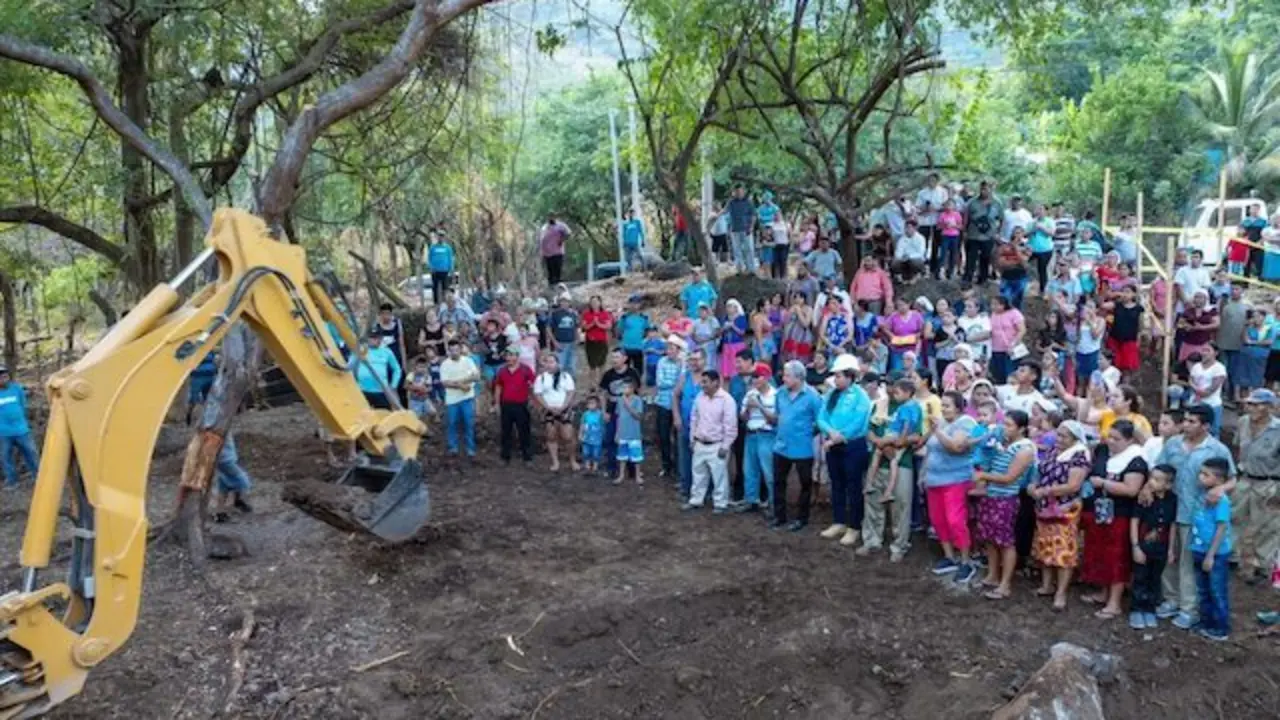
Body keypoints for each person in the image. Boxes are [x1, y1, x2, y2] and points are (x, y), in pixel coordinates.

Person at [1154, 404, 1235, 630]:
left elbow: (1232, 478)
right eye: (1186, 420)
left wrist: (1220, 490)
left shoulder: (1217, 449)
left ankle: (1188, 608)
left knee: (1187, 563)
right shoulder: (1172, 444)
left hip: (1197, 514)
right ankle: (1171, 599)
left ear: (1206, 426)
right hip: (1170, 509)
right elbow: (1160, 468)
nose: (1186, 425)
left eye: (1192, 422)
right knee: (1169, 557)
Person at [1081, 420, 1148, 620]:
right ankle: (1103, 592)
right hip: (1099, 511)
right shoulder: (1102, 451)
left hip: (1120, 514)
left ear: (1129, 440)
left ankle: (1115, 602)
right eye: (1109, 436)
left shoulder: (1136, 460)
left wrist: (1103, 483)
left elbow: (1131, 489)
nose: (1111, 441)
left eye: (1116, 439)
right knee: (1100, 552)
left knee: (1116, 557)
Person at [972, 410, 1037, 600]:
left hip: (1006, 499)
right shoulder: (1002, 444)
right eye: (1004, 423)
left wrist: (984, 476)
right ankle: (993, 575)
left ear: (1022, 428)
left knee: (1006, 542)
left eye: (1009, 425)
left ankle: (1005, 584)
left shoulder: (1025, 449)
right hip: (992, 496)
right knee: (990, 539)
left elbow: (1010, 478)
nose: (1004, 428)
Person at [1030, 420, 1090, 610]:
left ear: (1074, 438)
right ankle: (1047, 584)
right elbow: (1039, 472)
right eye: (1059, 434)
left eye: (1064, 436)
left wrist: (1046, 491)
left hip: (1065, 508)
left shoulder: (1079, 455)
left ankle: (1061, 592)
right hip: (1044, 505)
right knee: (1045, 545)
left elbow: (1073, 485)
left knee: (1064, 549)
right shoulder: (1052, 451)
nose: (1059, 438)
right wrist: (1034, 487)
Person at [817, 354, 873, 547]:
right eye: (835, 376)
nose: (836, 379)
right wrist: (831, 432)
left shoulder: (861, 397)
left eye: (840, 375)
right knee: (837, 483)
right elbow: (821, 416)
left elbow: (858, 423)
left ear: (851, 376)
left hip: (853, 447)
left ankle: (854, 526)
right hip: (834, 444)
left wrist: (837, 437)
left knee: (853, 486)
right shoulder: (831, 395)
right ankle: (839, 521)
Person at [862, 378, 920, 561]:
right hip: (878, 457)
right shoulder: (879, 405)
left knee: (900, 506)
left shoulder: (912, 407)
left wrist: (895, 443)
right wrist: (878, 442)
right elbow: (869, 430)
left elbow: (916, 436)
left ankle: (899, 545)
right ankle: (871, 540)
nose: (890, 388)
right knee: (872, 501)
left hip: (901, 461)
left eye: (894, 385)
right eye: (887, 384)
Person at [1232, 388, 1280, 585]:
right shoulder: (1243, 423)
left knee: (1267, 526)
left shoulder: (1278, 429)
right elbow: (1237, 447)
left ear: (1269, 407)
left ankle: (1263, 566)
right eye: (1250, 403)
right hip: (1245, 478)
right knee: (1235, 518)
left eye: (1256, 404)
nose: (1251, 407)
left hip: (1269, 481)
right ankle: (1231, 558)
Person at [772, 361, 822, 531]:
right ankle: (779, 516)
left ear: (798, 377)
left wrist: (807, 434)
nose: (783, 378)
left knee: (805, 484)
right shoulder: (780, 393)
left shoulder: (813, 396)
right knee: (778, 481)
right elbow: (778, 414)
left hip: (803, 447)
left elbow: (820, 420)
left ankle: (802, 518)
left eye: (787, 375)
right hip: (781, 445)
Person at [1190, 457, 1234, 641]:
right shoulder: (1202, 494)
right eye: (1201, 473)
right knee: (1203, 589)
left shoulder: (1221, 500)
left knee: (1217, 590)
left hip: (1215, 553)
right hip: (1198, 549)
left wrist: (1211, 555)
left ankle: (1221, 627)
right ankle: (1206, 621)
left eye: (1206, 475)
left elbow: (1221, 528)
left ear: (1220, 480)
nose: (1201, 477)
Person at [1130, 463, 1179, 629]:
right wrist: (1135, 546)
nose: (1152, 482)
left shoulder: (1172, 500)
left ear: (1168, 484)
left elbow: (1172, 525)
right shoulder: (1143, 498)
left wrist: (1171, 549)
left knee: (1154, 579)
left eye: (1157, 480)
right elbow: (1135, 521)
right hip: (1143, 546)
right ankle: (1136, 610)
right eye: (1151, 477)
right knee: (1140, 578)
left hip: (1161, 548)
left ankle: (1149, 609)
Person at [684, 369, 739, 513]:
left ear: (715, 382)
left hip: (717, 444)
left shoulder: (727, 400)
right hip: (700, 442)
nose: (702, 385)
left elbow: (731, 425)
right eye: (702, 382)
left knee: (719, 476)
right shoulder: (699, 397)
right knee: (698, 474)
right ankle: (696, 500)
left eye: (705, 382)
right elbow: (694, 419)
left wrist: (726, 445)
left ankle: (721, 503)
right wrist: (692, 439)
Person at [740, 363, 778, 512]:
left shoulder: (775, 395)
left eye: (757, 376)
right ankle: (751, 500)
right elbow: (742, 417)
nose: (754, 380)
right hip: (751, 434)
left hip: (767, 435)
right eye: (753, 377)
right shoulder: (750, 394)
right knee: (749, 470)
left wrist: (759, 406)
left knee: (769, 472)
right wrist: (749, 408)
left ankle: (773, 504)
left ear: (766, 377)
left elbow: (775, 420)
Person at [533, 352, 579, 473]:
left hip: (564, 409)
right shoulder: (541, 378)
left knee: (568, 435)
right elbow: (538, 394)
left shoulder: (565, 376)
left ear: (557, 363)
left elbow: (571, 392)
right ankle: (555, 461)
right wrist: (547, 407)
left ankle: (573, 460)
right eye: (547, 362)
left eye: (552, 362)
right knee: (551, 435)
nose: (549, 364)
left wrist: (564, 406)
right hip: (548, 410)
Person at [600, 350, 642, 478]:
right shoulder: (608, 375)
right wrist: (604, 411)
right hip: (613, 411)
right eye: (612, 357)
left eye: (617, 357)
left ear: (625, 358)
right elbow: (603, 394)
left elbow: (639, 390)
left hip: (630, 413)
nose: (614, 360)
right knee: (611, 439)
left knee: (631, 440)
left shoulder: (632, 373)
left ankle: (632, 469)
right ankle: (612, 468)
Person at [0, 366, 39, 487]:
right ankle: (12, 481)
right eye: (0, 377)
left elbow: (23, 405)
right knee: (6, 458)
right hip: (4, 433)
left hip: (22, 430)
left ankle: (38, 478)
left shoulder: (16, 389)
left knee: (31, 454)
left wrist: (20, 420)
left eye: (5, 376)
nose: (3, 379)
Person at [439, 339, 479, 458]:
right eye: (452, 350)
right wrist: (461, 385)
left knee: (468, 423)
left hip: (467, 398)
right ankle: (453, 447)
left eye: (456, 350)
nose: (454, 352)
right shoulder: (445, 364)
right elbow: (445, 383)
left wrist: (459, 382)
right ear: (448, 351)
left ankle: (470, 448)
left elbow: (476, 376)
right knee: (452, 423)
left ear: (460, 349)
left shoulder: (468, 361)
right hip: (452, 400)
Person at [653, 336, 686, 478]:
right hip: (663, 403)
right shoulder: (661, 362)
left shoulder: (683, 364)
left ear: (678, 350)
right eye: (668, 348)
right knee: (663, 436)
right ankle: (666, 466)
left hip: (678, 405)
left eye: (672, 348)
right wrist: (676, 384)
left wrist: (675, 384)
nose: (669, 351)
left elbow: (683, 383)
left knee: (678, 436)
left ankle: (679, 467)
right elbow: (660, 382)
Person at [963, 180, 1002, 285]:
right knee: (971, 258)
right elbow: (966, 217)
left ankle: (983, 278)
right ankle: (968, 277)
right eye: (982, 188)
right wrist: (965, 231)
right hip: (973, 234)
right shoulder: (972, 202)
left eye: (986, 188)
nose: (984, 191)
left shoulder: (997, 203)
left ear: (990, 189)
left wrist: (998, 232)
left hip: (989, 235)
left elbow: (1002, 219)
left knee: (985, 258)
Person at [211, 433, 254, 523]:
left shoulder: (222, 420)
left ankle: (220, 512)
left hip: (224, 457)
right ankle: (237, 501)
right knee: (243, 481)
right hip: (224, 459)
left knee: (223, 483)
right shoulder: (218, 420)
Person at [355, 333, 402, 410]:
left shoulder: (387, 351)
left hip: (381, 391)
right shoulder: (361, 349)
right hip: (362, 390)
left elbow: (397, 369)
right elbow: (351, 366)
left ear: (381, 339)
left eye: (377, 338)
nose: (374, 340)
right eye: (372, 337)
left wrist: (393, 385)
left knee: (384, 415)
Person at [1187, 347, 1227, 435]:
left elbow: (1212, 389)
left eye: (1208, 350)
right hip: (1195, 403)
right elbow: (1190, 380)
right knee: (1193, 431)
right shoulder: (1196, 366)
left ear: (1215, 353)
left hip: (1212, 404)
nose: (1204, 353)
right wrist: (1197, 390)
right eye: (1203, 350)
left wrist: (1200, 391)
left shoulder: (1219, 368)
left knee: (1213, 431)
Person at [613, 378, 646, 485]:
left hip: (634, 433)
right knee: (622, 456)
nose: (624, 390)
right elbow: (618, 417)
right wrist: (617, 432)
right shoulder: (619, 400)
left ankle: (637, 475)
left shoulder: (637, 400)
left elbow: (638, 416)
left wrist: (628, 405)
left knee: (636, 456)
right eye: (623, 387)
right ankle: (621, 475)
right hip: (623, 432)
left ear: (632, 389)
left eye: (626, 387)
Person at [373, 302, 408, 403]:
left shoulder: (397, 323)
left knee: (401, 386)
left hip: (397, 358)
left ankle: (404, 409)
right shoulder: (376, 326)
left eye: (388, 313)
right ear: (380, 314)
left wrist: (404, 364)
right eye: (383, 314)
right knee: (387, 386)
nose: (386, 316)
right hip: (384, 361)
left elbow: (402, 344)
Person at [988, 295, 1025, 386]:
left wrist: (1013, 344)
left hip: (1012, 349)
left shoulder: (1014, 313)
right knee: (999, 374)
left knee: (1011, 373)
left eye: (996, 304)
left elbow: (1022, 330)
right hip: (997, 348)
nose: (993, 307)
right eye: (992, 304)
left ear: (1003, 305)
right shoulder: (993, 315)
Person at [915, 173, 948, 275]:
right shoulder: (922, 193)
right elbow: (917, 207)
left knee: (936, 245)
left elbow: (947, 207)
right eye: (929, 180)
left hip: (938, 222)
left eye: (934, 180)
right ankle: (922, 266)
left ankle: (935, 267)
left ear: (937, 181)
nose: (931, 182)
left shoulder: (943, 192)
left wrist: (936, 208)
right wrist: (925, 208)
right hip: (924, 221)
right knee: (922, 244)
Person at [1237, 309, 1273, 397]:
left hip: (1259, 358)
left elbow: (1268, 341)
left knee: (1256, 382)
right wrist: (1245, 327)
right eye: (1254, 316)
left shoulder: (1268, 328)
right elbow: (1245, 340)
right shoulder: (1248, 327)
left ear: (1263, 317)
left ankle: (1255, 404)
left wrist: (1253, 342)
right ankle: (1243, 405)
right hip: (1246, 356)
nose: (1255, 319)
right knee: (1244, 381)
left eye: (1258, 316)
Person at [884, 297, 924, 373]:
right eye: (898, 305)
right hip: (898, 349)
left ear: (908, 304)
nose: (900, 307)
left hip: (913, 348)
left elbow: (922, 329)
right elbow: (885, 328)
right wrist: (892, 336)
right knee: (897, 371)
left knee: (916, 372)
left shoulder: (916, 315)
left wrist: (917, 335)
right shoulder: (893, 316)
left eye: (902, 305)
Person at [581, 295, 614, 386]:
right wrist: (592, 323)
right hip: (590, 342)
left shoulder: (605, 314)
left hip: (602, 342)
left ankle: (601, 383)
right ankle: (592, 384)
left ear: (600, 303)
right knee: (592, 365)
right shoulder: (586, 314)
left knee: (602, 364)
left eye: (596, 302)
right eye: (592, 302)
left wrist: (598, 323)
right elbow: (584, 327)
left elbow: (608, 326)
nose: (594, 304)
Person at [995, 229, 1031, 309]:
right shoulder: (1004, 247)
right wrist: (1016, 263)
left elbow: (1024, 263)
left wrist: (1016, 248)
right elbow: (1001, 263)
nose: (1018, 235)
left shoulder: (1027, 247)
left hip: (1020, 278)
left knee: (1018, 302)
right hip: (1006, 278)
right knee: (1004, 300)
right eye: (1016, 233)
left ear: (1023, 235)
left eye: (1020, 233)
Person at [726, 185, 758, 273]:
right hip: (735, 229)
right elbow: (725, 211)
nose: (738, 193)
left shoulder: (748, 202)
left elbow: (754, 215)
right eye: (736, 192)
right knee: (737, 250)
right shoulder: (731, 202)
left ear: (743, 192)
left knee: (749, 249)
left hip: (746, 229)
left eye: (740, 192)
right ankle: (739, 269)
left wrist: (751, 227)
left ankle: (751, 269)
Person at [547, 293, 580, 376]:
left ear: (569, 302)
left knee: (572, 367)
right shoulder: (555, 314)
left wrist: (577, 339)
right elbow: (548, 328)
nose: (564, 303)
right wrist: (554, 342)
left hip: (572, 343)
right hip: (560, 343)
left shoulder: (573, 314)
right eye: (562, 301)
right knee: (560, 366)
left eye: (566, 301)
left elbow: (575, 327)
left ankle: (570, 385)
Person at [617, 295, 650, 373]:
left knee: (639, 371)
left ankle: (638, 384)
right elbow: (619, 331)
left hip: (638, 348)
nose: (634, 305)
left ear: (640, 304)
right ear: (629, 304)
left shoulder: (644, 318)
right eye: (632, 303)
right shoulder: (624, 317)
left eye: (637, 303)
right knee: (624, 370)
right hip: (626, 348)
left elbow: (647, 332)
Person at [186, 350, 218, 426]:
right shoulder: (194, 349)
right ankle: (189, 417)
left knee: (209, 399)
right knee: (194, 400)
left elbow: (214, 360)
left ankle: (207, 421)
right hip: (197, 377)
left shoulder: (210, 349)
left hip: (210, 376)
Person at [892, 219, 928, 284]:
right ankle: (900, 277)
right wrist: (900, 257)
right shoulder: (902, 239)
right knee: (895, 261)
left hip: (915, 259)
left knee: (915, 261)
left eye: (909, 227)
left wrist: (909, 256)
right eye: (906, 227)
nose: (907, 229)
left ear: (915, 228)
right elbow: (898, 251)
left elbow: (921, 253)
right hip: (904, 259)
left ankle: (916, 275)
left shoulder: (920, 238)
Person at [719, 300, 749, 378]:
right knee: (726, 364)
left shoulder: (741, 318)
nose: (728, 309)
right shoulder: (725, 318)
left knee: (736, 362)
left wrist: (733, 326)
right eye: (727, 307)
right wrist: (724, 328)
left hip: (737, 344)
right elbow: (720, 332)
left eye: (730, 306)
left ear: (736, 308)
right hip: (727, 344)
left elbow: (742, 332)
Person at [936, 198, 964, 280]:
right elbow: (938, 226)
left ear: (954, 206)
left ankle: (950, 272)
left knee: (953, 254)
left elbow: (961, 226)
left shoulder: (957, 214)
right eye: (947, 205)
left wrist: (954, 226)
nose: (949, 207)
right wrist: (944, 225)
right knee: (943, 254)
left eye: (951, 205)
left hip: (955, 236)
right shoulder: (942, 215)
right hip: (945, 236)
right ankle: (939, 272)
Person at [539, 214, 571, 286]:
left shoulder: (561, 225)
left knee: (557, 271)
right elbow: (541, 240)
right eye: (549, 216)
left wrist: (561, 240)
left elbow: (568, 233)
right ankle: (551, 287)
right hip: (547, 254)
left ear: (555, 217)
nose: (551, 218)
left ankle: (559, 287)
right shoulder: (544, 227)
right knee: (550, 273)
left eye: (552, 216)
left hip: (557, 252)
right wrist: (542, 252)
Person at [578, 396, 605, 474]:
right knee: (586, 452)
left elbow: (603, 425)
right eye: (589, 403)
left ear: (597, 404)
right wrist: (580, 434)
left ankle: (595, 467)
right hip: (587, 437)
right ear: (587, 405)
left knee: (596, 453)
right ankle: (587, 466)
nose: (591, 405)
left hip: (597, 437)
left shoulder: (600, 414)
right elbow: (582, 424)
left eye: (593, 403)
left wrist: (602, 434)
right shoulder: (585, 414)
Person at [427, 231, 456, 305]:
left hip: (445, 270)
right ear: (437, 237)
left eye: (442, 236)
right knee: (435, 287)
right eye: (439, 236)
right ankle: (436, 303)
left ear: (444, 237)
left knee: (445, 288)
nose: (441, 238)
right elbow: (429, 258)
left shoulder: (447, 248)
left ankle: (446, 302)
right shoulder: (433, 247)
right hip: (435, 271)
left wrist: (451, 268)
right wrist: (430, 267)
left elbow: (450, 258)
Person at [691, 303, 722, 370]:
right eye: (700, 311)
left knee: (710, 362)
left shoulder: (713, 320)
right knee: (700, 361)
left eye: (703, 311)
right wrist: (696, 339)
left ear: (707, 311)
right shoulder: (696, 321)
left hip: (710, 343)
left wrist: (707, 339)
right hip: (699, 343)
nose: (701, 313)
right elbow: (692, 333)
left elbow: (717, 332)